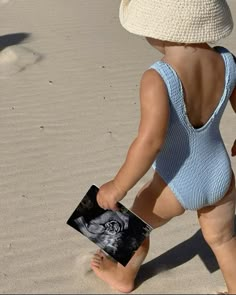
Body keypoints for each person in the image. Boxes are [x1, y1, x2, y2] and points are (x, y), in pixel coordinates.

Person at [90, 0, 236, 293]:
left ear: (161, 29)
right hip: (221, 175)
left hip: (177, 183)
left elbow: (150, 142)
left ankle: (123, 275)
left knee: (132, 225)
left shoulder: (157, 77)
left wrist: (118, 186)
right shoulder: (227, 61)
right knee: (223, 240)